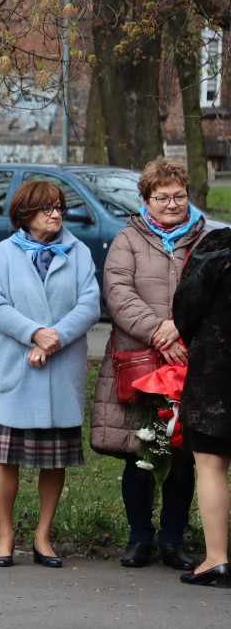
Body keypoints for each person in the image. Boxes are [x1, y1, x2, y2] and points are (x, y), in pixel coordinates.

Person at [91, 157, 204, 570]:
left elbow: (215, 294)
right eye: (162, 197)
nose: (172, 204)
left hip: (189, 361)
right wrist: (159, 332)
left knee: (181, 454)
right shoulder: (127, 240)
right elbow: (118, 294)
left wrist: (180, 330)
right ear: (146, 200)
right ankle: (139, 537)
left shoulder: (206, 239)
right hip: (140, 364)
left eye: (179, 196)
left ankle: (172, 540)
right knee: (139, 452)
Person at [0, 181, 100, 568]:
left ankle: (42, 537)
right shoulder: (1, 254)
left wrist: (53, 339)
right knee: (7, 459)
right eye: (46, 208)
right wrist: (34, 333)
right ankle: (5, 535)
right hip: (19, 369)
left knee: (54, 460)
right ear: (24, 214)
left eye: (59, 207)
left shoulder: (79, 252)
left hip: (60, 370)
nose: (56, 214)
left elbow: (90, 305)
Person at [173, 227, 231, 587]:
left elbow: (184, 310)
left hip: (216, 376)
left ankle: (216, 559)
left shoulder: (217, 247)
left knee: (211, 466)